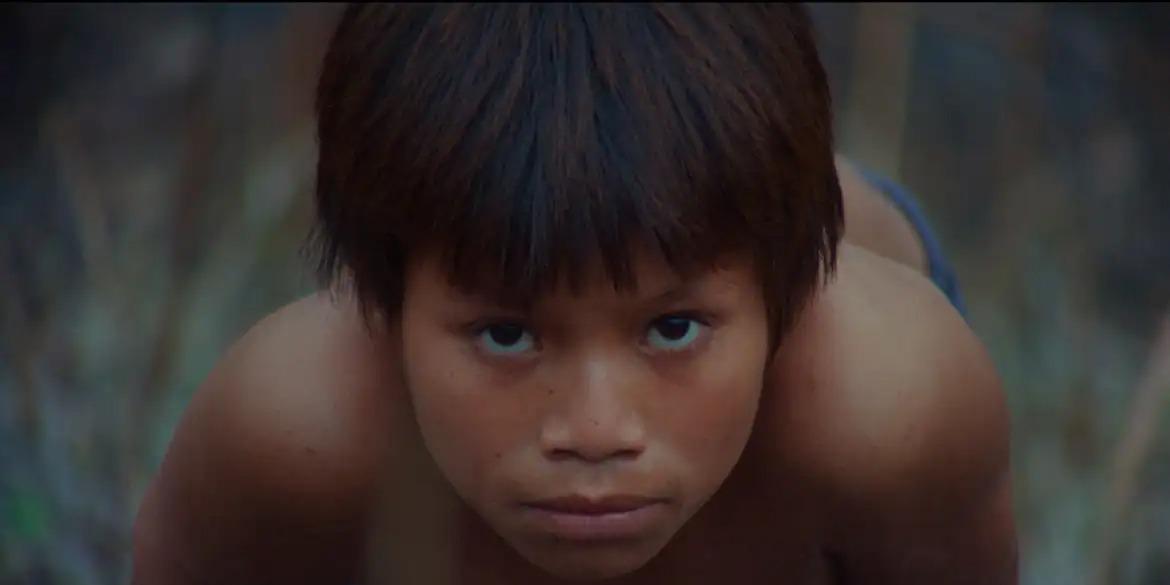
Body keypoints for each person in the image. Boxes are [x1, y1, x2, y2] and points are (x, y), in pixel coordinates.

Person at [132, 4, 1016, 584]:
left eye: (673, 330)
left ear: (783, 310)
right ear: (384, 302)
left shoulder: (889, 407)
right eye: (508, 337)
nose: (595, 431)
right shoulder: (291, 425)